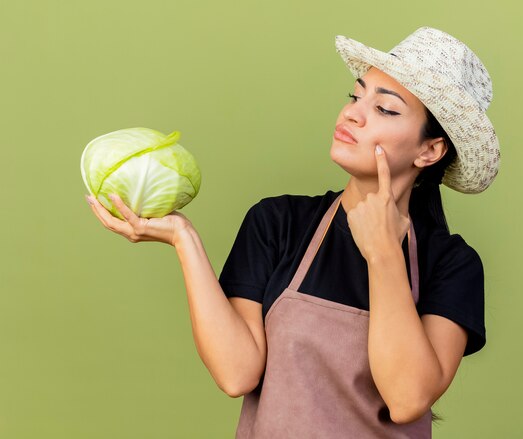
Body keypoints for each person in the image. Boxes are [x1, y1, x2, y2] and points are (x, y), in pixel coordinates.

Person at [86, 26, 499, 438]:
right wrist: (184, 239)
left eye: (385, 109)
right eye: (356, 96)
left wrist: (383, 252)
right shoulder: (278, 224)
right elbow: (236, 374)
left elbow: (407, 397)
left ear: (429, 150)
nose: (352, 114)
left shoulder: (452, 264)